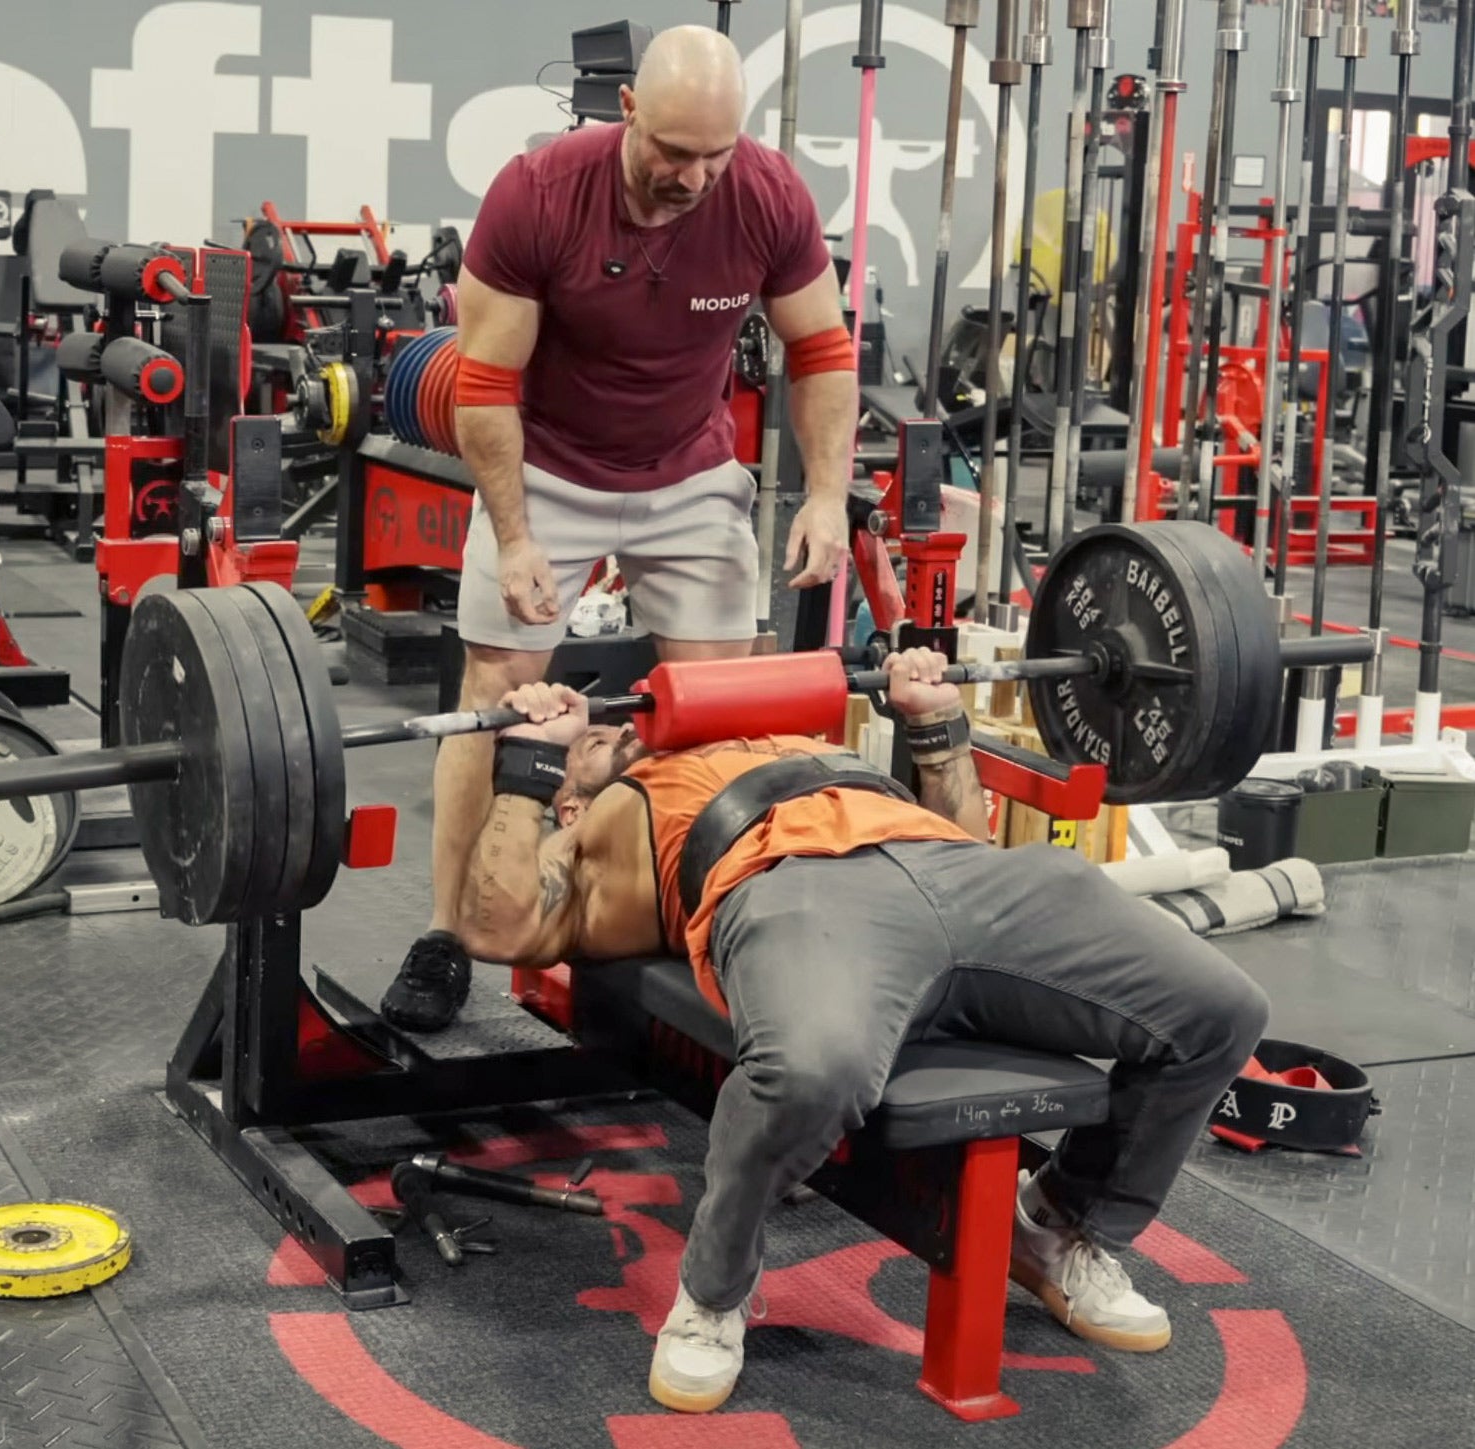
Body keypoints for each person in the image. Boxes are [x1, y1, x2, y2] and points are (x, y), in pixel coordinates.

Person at [452, 648, 1271, 1415]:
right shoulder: (595, 820)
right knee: (812, 1070)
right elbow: (500, 925)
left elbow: (968, 833)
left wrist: (935, 722)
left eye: (612, 718)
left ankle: (1057, 1225)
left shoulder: (785, 735)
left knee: (1218, 1008)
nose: (613, 722)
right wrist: (529, 759)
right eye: (594, 735)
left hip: (963, 872)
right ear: (570, 799)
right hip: (790, 888)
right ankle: (711, 1296)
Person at [381, 24, 861, 1032]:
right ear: (629, 111)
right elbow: (484, 381)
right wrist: (513, 535)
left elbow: (820, 348)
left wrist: (824, 494)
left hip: (687, 470)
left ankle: (689, 915)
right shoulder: (541, 192)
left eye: (713, 157)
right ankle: (449, 933)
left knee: (713, 707)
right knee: (498, 693)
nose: (691, 176)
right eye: (673, 152)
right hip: (545, 465)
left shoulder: (767, 196)